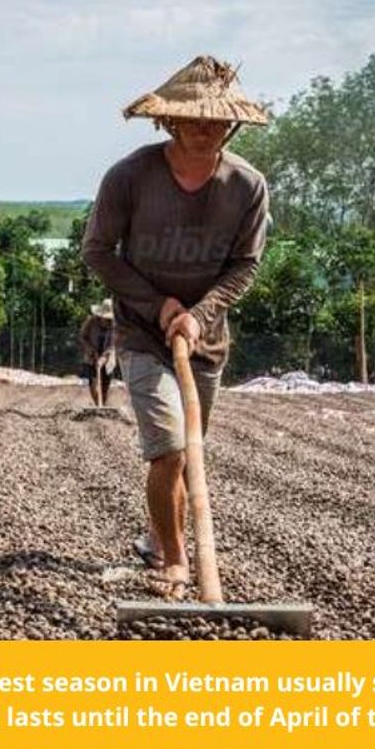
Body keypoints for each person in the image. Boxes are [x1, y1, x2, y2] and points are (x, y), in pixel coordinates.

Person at [82, 55, 270, 594]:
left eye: (216, 121)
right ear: (168, 121)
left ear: (232, 123)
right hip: (141, 332)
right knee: (168, 448)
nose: (205, 129)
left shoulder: (247, 186)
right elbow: (98, 252)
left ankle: (156, 539)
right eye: (193, 119)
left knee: (189, 452)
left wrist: (200, 314)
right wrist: (159, 305)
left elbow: (245, 264)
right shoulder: (130, 176)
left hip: (205, 342)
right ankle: (175, 561)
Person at [78, 299, 117, 406]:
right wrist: (90, 349)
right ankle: (97, 405)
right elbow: (82, 337)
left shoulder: (116, 326)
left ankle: (103, 407)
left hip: (108, 359)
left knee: (105, 387)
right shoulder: (91, 322)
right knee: (93, 385)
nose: (108, 321)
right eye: (106, 319)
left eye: (110, 319)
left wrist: (104, 358)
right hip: (91, 357)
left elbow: (113, 345)